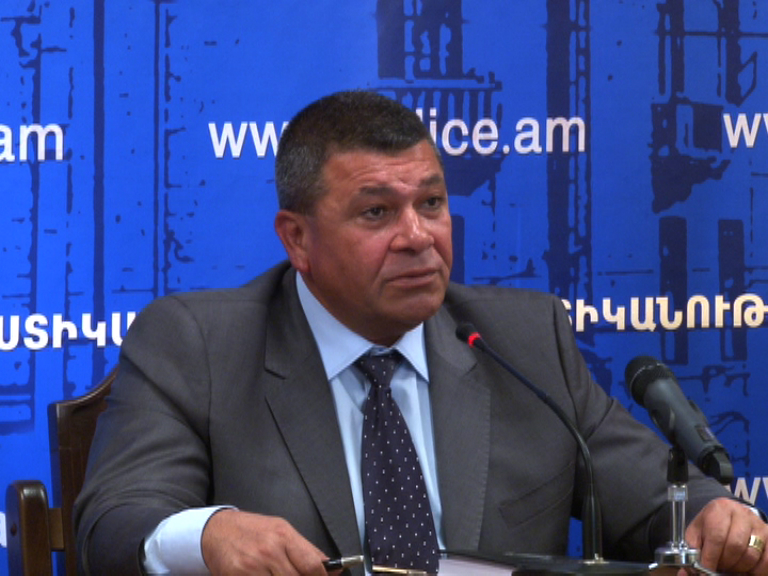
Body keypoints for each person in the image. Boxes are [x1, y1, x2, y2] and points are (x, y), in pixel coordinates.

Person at [74, 90, 768, 576]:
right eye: (376, 213)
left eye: (431, 203)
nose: (418, 236)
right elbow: (115, 521)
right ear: (298, 239)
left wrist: (716, 518)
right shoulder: (198, 345)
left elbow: (653, 498)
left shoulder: (523, 338)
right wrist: (209, 533)